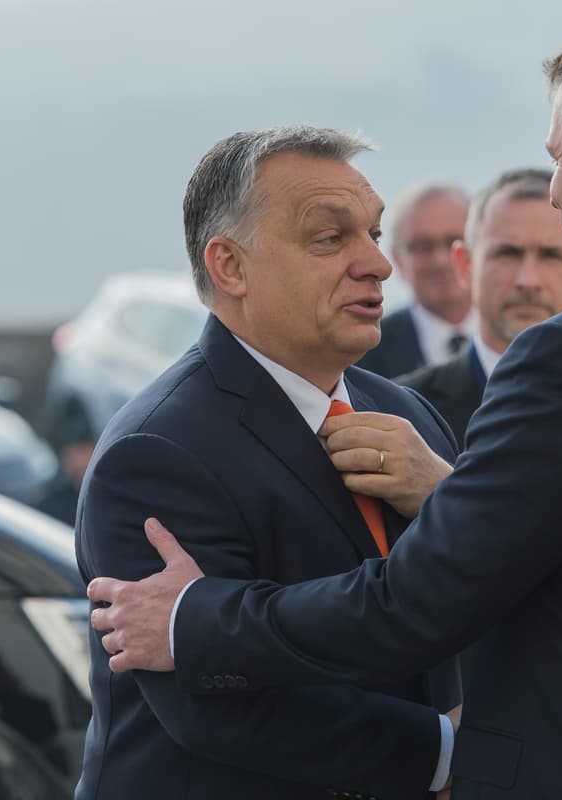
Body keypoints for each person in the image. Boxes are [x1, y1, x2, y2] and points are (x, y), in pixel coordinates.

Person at [88, 13, 562, 799]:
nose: (554, 188)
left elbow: (415, 602)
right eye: (331, 238)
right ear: (229, 264)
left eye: (558, 157)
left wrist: (192, 621)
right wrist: (453, 496)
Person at [74, 126, 463, 800]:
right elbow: (220, 708)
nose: (377, 263)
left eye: (372, 233)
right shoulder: (155, 452)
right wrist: (447, 752)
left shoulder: (410, 416)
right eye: (331, 237)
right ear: (229, 266)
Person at [397, 168, 562, 448]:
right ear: (465, 264)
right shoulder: (404, 412)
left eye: (550, 255)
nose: (527, 281)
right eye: (507, 254)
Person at [354, 184, 473, 378]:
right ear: (398, 259)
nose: (441, 260)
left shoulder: (523, 335)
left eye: (454, 241)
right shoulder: (363, 353)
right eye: (423, 246)